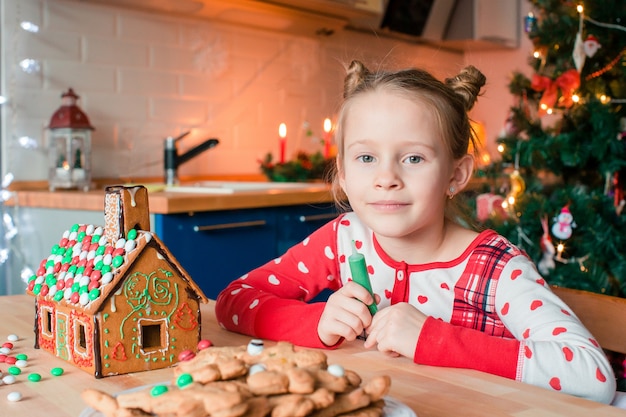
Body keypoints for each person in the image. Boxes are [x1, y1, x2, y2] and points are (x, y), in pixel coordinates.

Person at [215, 60, 616, 404]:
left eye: (413, 157)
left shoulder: (495, 268)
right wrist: (317, 322)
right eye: (367, 157)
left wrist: (433, 338)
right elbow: (235, 300)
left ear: (456, 175)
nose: (386, 177)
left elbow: (592, 375)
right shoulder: (345, 238)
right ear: (343, 171)